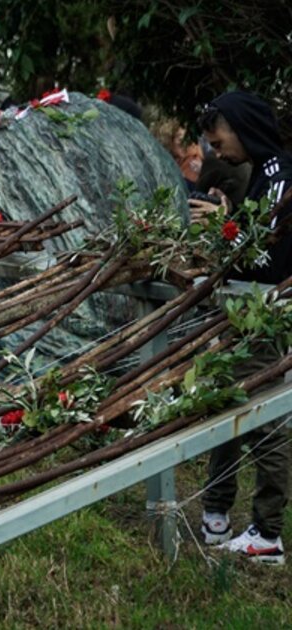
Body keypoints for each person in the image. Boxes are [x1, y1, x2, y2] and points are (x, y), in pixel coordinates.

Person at [193, 91, 292, 565]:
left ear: (243, 129)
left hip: (264, 314)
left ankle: (268, 533)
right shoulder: (262, 175)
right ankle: (217, 511)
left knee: (263, 417)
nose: (217, 153)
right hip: (244, 312)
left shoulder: (280, 177)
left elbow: (269, 262)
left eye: (219, 142)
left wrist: (226, 225)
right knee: (226, 403)